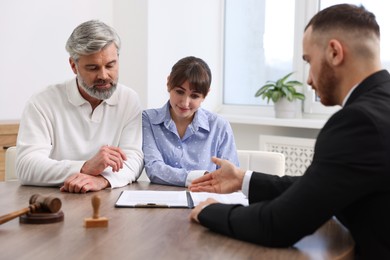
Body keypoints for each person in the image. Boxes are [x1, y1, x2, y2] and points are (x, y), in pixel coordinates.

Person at [189, 4, 390, 259]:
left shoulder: (359, 121)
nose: (308, 79)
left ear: (334, 53)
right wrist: (243, 179)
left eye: (308, 61)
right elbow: (318, 188)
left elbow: (277, 224)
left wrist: (209, 210)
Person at [16, 20, 144, 193]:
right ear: (73, 66)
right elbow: (26, 166)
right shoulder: (42, 102)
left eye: (110, 65)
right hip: (53, 202)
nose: (103, 75)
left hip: (107, 202)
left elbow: (134, 160)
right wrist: (84, 167)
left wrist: (102, 180)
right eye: (92, 68)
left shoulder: (129, 99)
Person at [142, 56, 239, 187]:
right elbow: (153, 169)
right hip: (161, 202)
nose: (185, 102)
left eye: (194, 96)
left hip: (206, 201)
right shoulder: (148, 119)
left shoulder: (219, 126)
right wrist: (200, 177)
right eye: (179, 92)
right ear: (168, 83)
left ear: (206, 94)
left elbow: (229, 177)